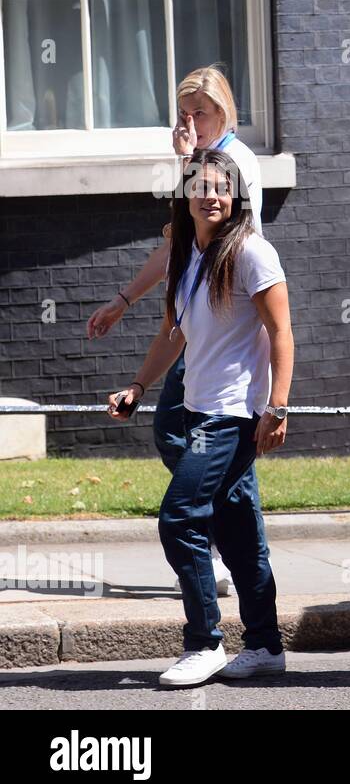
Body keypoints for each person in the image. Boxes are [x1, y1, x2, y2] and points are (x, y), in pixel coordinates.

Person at [107, 148, 291, 688]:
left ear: (235, 196)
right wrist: (139, 386)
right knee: (237, 537)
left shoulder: (252, 253)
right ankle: (264, 645)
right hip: (195, 412)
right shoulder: (187, 255)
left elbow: (282, 333)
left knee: (180, 518)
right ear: (185, 194)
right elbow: (174, 333)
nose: (211, 195)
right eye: (201, 186)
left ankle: (204, 642)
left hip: (232, 417)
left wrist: (277, 407)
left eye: (221, 187)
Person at [88, 65, 263, 597]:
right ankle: (233, 552)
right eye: (183, 115)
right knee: (200, 443)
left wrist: (187, 162)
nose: (190, 124)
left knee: (187, 434)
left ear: (223, 113)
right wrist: (124, 299)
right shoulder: (202, 161)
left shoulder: (230, 160)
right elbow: (179, 244)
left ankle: (224, 554)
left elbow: (223, 224)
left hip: (225, 323)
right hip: (200, 317)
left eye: (200, 114)